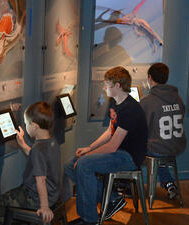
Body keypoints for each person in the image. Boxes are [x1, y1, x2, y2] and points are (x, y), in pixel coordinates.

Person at [64, 66, 148, 225]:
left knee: (83, 164)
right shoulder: (117, 103)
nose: (104, 87)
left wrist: (86, 157)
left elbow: (112, 147)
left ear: (117, 86)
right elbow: (110, 131)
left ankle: (89, 219)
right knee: (70, 165)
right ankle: (111, 199)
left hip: (130, 157)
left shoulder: (130, 109)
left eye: (106, 84)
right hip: (120, 152)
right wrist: (89, 148)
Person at [0, 101, 61, 224]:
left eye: (26, 124)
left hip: (35, 197)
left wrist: (44, 207)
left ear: (34, 126)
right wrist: (23, 144)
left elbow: (40, 180)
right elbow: (39, 159)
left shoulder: (38, 149)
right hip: (52, 194)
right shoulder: (52, 142)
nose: (26, 127)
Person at [140, 62, 186, 199]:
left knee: (134, 149)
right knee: (158, 150)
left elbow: (140, 129)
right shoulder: (177, 98)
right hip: (176, 146)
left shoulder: (147, 101)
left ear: (149, 78)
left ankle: (124, 186)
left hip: (158, 148)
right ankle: (169, 183)